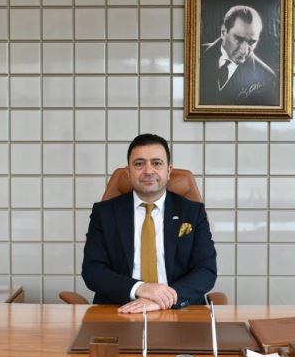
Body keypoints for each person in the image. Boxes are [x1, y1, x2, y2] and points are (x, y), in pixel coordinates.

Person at [81, 134, 217, 313]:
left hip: (178, 310)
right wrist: (140, 288)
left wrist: (164, 300)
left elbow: (206, 270)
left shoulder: (193, 212)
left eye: (157, 163)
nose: (148, 171)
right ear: (128, 172)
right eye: (139, 164)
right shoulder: (104, 213)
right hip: (120, 308)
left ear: (169, 171)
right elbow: (93, 270)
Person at [199, 5, 279, 106]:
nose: (244, 50)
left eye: (252, 42)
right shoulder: (196, 55)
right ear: (223, 32)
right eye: (239, 39)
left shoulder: (268, 78)